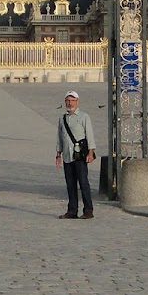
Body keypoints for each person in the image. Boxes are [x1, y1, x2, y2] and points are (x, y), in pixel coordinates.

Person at [55, 90, 96, 219]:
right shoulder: (62, 119)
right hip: (67, 155)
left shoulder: (84, 117)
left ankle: (88, 210)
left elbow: (89, 135)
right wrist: (58, 154)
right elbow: (60, 138)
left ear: (77, 102)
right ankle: (72, 210)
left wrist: (91, 152)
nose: (69, 103)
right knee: (70, 184)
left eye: (72, 100)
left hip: (79, 156)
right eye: (67, 100)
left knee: (83, 183)